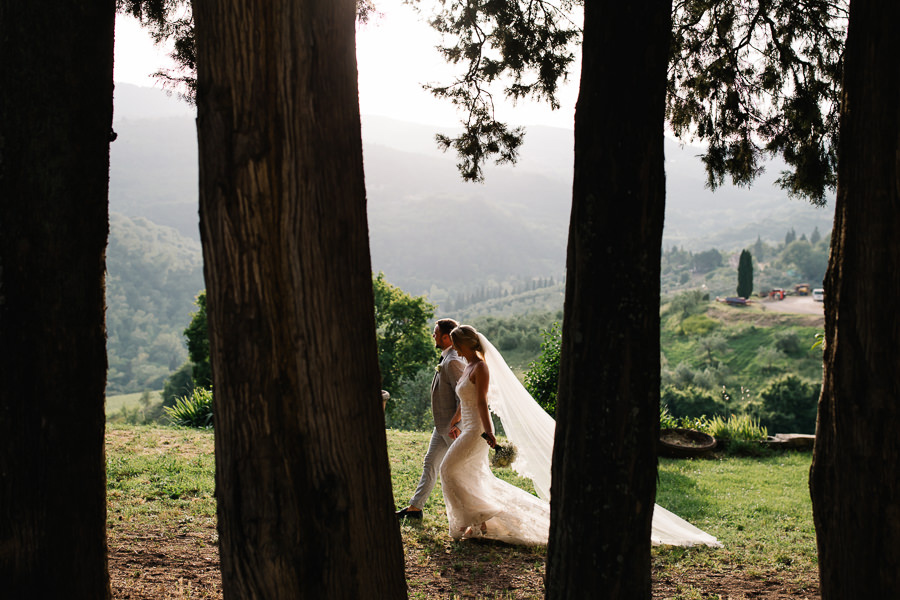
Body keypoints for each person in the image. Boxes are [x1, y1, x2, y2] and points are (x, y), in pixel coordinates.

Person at [438, 324, 722, 548]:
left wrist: (490, 435)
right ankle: (478, 523)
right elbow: (465, 401)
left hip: (477, 432)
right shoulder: (468, 367)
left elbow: (481, 403)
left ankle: (476, 518)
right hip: (467, 427)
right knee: (467, 474)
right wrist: (454, 420)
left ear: (464, 344)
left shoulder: (482, 368)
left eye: (457, 346)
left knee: (448, 470)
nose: (457, 351)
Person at [396, 318, 465, 519]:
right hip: (442, 425)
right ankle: (415, 508)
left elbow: (462, 396)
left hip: (453, 428)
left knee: (459, 470)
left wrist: (456, 423)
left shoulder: (453, 361)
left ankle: (472, 511)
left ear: (447, 337)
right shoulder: (447, 357)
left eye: (436, 333)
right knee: (430, 462)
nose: (433, 336)